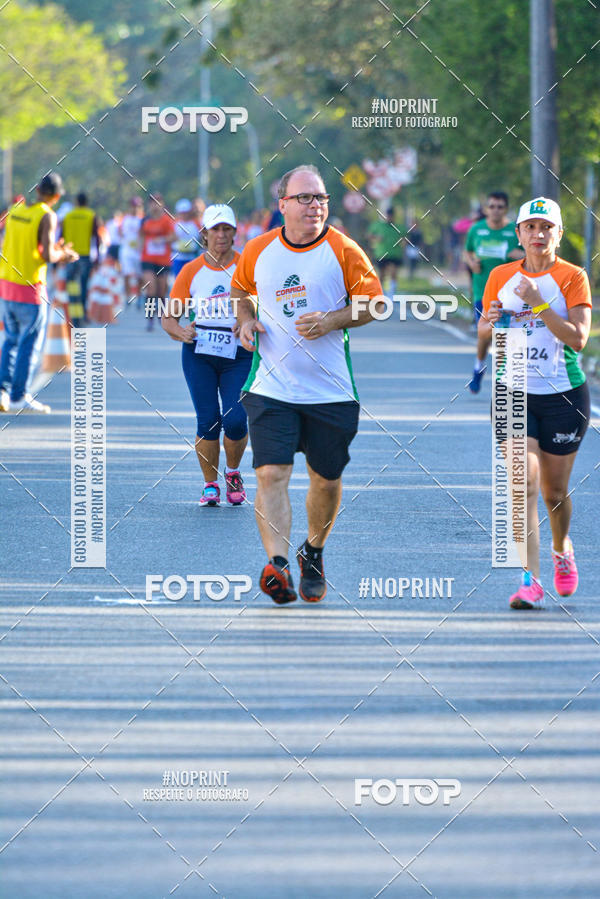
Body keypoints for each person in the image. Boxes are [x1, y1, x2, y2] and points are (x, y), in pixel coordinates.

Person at [231, 164, 384, 605]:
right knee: (271, 472)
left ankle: (312, 553)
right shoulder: (258, 250)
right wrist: (246, 321)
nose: (315, 205)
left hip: (331, 391)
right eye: (305, 197)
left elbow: (375, 304)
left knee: (326, 481)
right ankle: (278, 565)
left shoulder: (344, 250)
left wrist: (332, 320)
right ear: (283, 204)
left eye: (320, 198)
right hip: (271, 387)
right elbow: (241, 292)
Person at [479, 197, 592, 610]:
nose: (538, 234)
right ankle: (530, 580)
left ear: (558, 234)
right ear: (519, 234)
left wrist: (538, 303)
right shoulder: (500, 276)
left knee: (554, 492)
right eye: (531, 227)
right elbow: (483, 332)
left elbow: (579, 339)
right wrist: (489, 323)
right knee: (521, 483)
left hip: (563, 394)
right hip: (513, 390)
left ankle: (561, 548)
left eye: (547, 227)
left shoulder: (573, 276)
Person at [162, 204, 252, 505]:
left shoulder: (246, 266)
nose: (221, 235)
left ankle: (233, 472)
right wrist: (181, 332)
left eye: (227, 229)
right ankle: (210, 484)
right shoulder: (191, 270)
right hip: (199, 353)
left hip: (238, 353)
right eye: (215, 229)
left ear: (235, 232)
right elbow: (168, 318)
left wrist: (248, 322)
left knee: (236, 419)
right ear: (204, 233)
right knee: (208, 420)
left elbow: (264, 306)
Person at [0, 173, 78, 413]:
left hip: (7, 286)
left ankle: (2, 391)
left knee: (10, 341)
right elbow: (46, 255)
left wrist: (54, 249)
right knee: (29, 344)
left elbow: (23, 245)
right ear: (56, 196)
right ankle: (18, 396)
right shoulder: (47, 215)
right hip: (30, 289)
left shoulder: (15, 210)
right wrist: (64, 254)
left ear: (37, 190)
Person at [464, 191, 523, 391]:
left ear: (506, 209)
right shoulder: (476, 229)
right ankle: (478, 368)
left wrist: (519, 255)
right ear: (486, 209)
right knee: (485, 334)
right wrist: (471, 263)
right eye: (492, 206)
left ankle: (507, 381)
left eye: (500, 207)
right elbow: (468, 251)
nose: (495, 210)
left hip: (511, 294)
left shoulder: (515, 231)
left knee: (506, 336)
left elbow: (531, 256)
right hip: (483, 292)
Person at [61, 192, 100, 321]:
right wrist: (97, 258)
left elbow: (61, 236)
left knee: (71, 285)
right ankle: (82, 313)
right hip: (84, 255)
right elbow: (96, 238)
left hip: (69, 255)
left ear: (76, 202)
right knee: (83, 285)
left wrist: (60, 257)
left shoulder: (68, 216)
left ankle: (72, 314)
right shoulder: (91, 215)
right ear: (86, 202)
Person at [140, 194, 174, 331]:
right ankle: (149, 319)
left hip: (163, 261)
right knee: (151, 288)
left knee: (161, 291)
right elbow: (141, 237)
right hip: (147, 259)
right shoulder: (145, 220)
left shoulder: (166, 220)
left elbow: (174, 237)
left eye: (158, 202)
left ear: (162, 204)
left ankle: (161, 316)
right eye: (152, 202)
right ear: (149, 205)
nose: (155, 205)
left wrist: (162, 240)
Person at [368, 206, 405, 296]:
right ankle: (381, 291)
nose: (389, 217)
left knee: (393, 272)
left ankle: (392, 291)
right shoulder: (378, 226)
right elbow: (369, 235)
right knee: (382, 274)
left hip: (394, 253)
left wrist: (403, 242)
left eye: (391, 216)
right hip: (381, 253)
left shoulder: (399, 227)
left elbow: (406, 237)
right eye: (388, 215)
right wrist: (376, 238)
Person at [119, 197, 144, 308]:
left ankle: (139, 296)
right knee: (127, 274)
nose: (135, 208)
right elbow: (120, 232)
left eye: (138, 206)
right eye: (133, 206)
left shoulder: (142, 220)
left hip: (138, 251)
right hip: (127, 250)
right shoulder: (125, 219)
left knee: (139, 276)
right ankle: (128, 296)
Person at [171, 199, 202, 277]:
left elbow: (201, 238)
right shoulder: (174, 224)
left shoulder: (196, 223)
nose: (184, 215)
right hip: (178, 257)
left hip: (192, 257)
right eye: (182, 213)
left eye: (186, 213)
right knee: (178, 279)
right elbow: (170, 238)